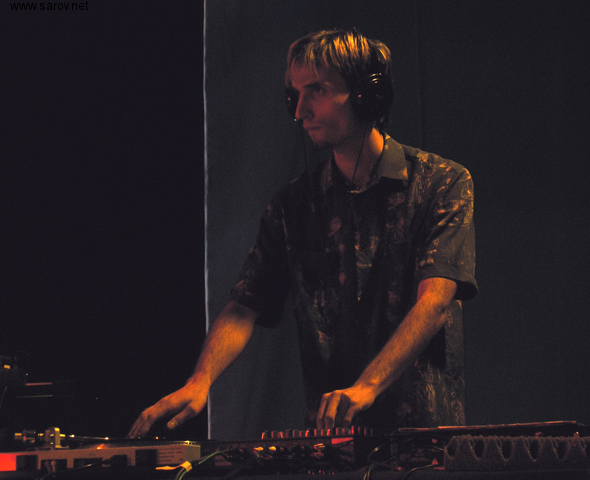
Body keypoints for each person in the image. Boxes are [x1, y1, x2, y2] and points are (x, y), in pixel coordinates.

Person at [127, 29, 477, 439]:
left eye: (316, 91)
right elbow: (244, 306)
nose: (299, 111)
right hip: (330, 444)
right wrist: (199, 380)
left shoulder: (442, 183)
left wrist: (366, 387)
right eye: (295, 94)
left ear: (368, 95)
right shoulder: (293, 205)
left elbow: (434, 301)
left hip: (423, 442)